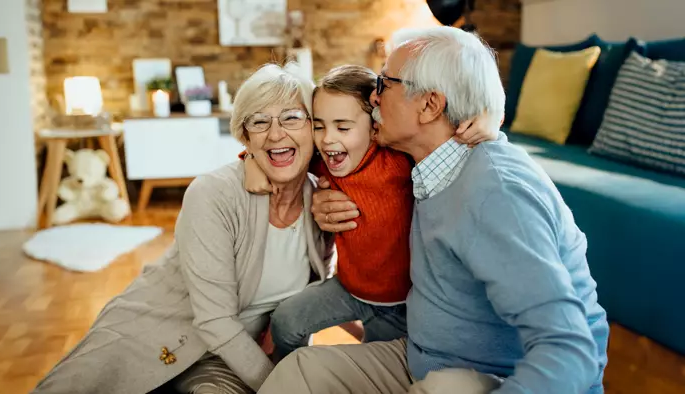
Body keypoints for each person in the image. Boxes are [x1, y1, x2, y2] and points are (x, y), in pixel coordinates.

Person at [257, 26, 610, 394]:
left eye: (384, 83)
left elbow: (570, 350)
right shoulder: (422, 162)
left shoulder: (497, 195)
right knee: (301, 372)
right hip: (422, 357)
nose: (373, 99)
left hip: (485, 376)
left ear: (429, 105)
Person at [31, 63, 334, 394]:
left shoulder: (323, 200)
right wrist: (280, 388)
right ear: (245, 136)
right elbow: (215, 321)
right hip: (150, 337)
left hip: (230, 360)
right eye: (259, 121)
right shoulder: (214, 193)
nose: (276, 134)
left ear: (314, 127)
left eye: (291, 117)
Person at [242, 64, 496, 361]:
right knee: (286, 321)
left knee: (376, 363)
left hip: (401, 302)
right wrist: (250, 159)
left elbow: (452, 136)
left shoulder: (399, 160)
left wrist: (488, 118)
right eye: (319, 126)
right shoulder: (323, 159)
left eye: (343, 126)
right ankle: (285, 371)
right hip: (348, 287)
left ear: (375, 128)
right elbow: (281, 152)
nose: (326, 139)